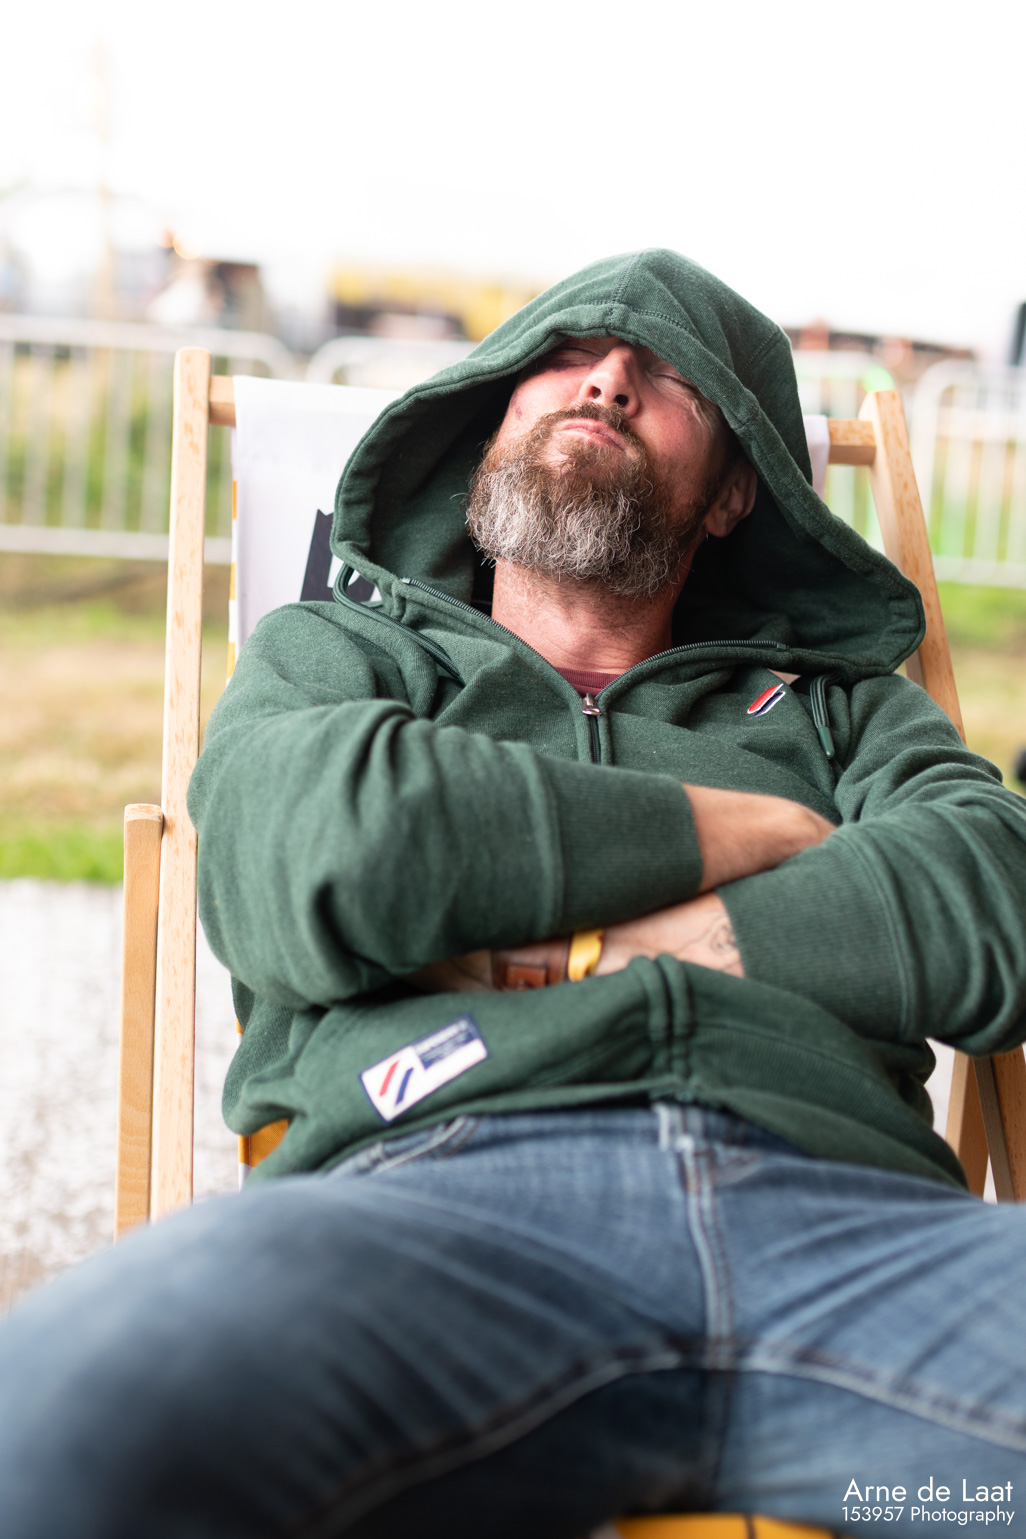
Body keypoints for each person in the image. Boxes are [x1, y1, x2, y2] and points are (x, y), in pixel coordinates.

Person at [3, 249, 1026, 1537]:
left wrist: (620, 938)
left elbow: (995, 895)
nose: (606, 382)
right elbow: (330, 842)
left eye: (670, 379)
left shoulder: (841, 708)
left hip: (854, 1232)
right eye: (566, 354)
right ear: (487, 422)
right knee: (53, 1440)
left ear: (733, 496)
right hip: (432, 1209)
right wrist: (746, 830)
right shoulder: (342, 651)